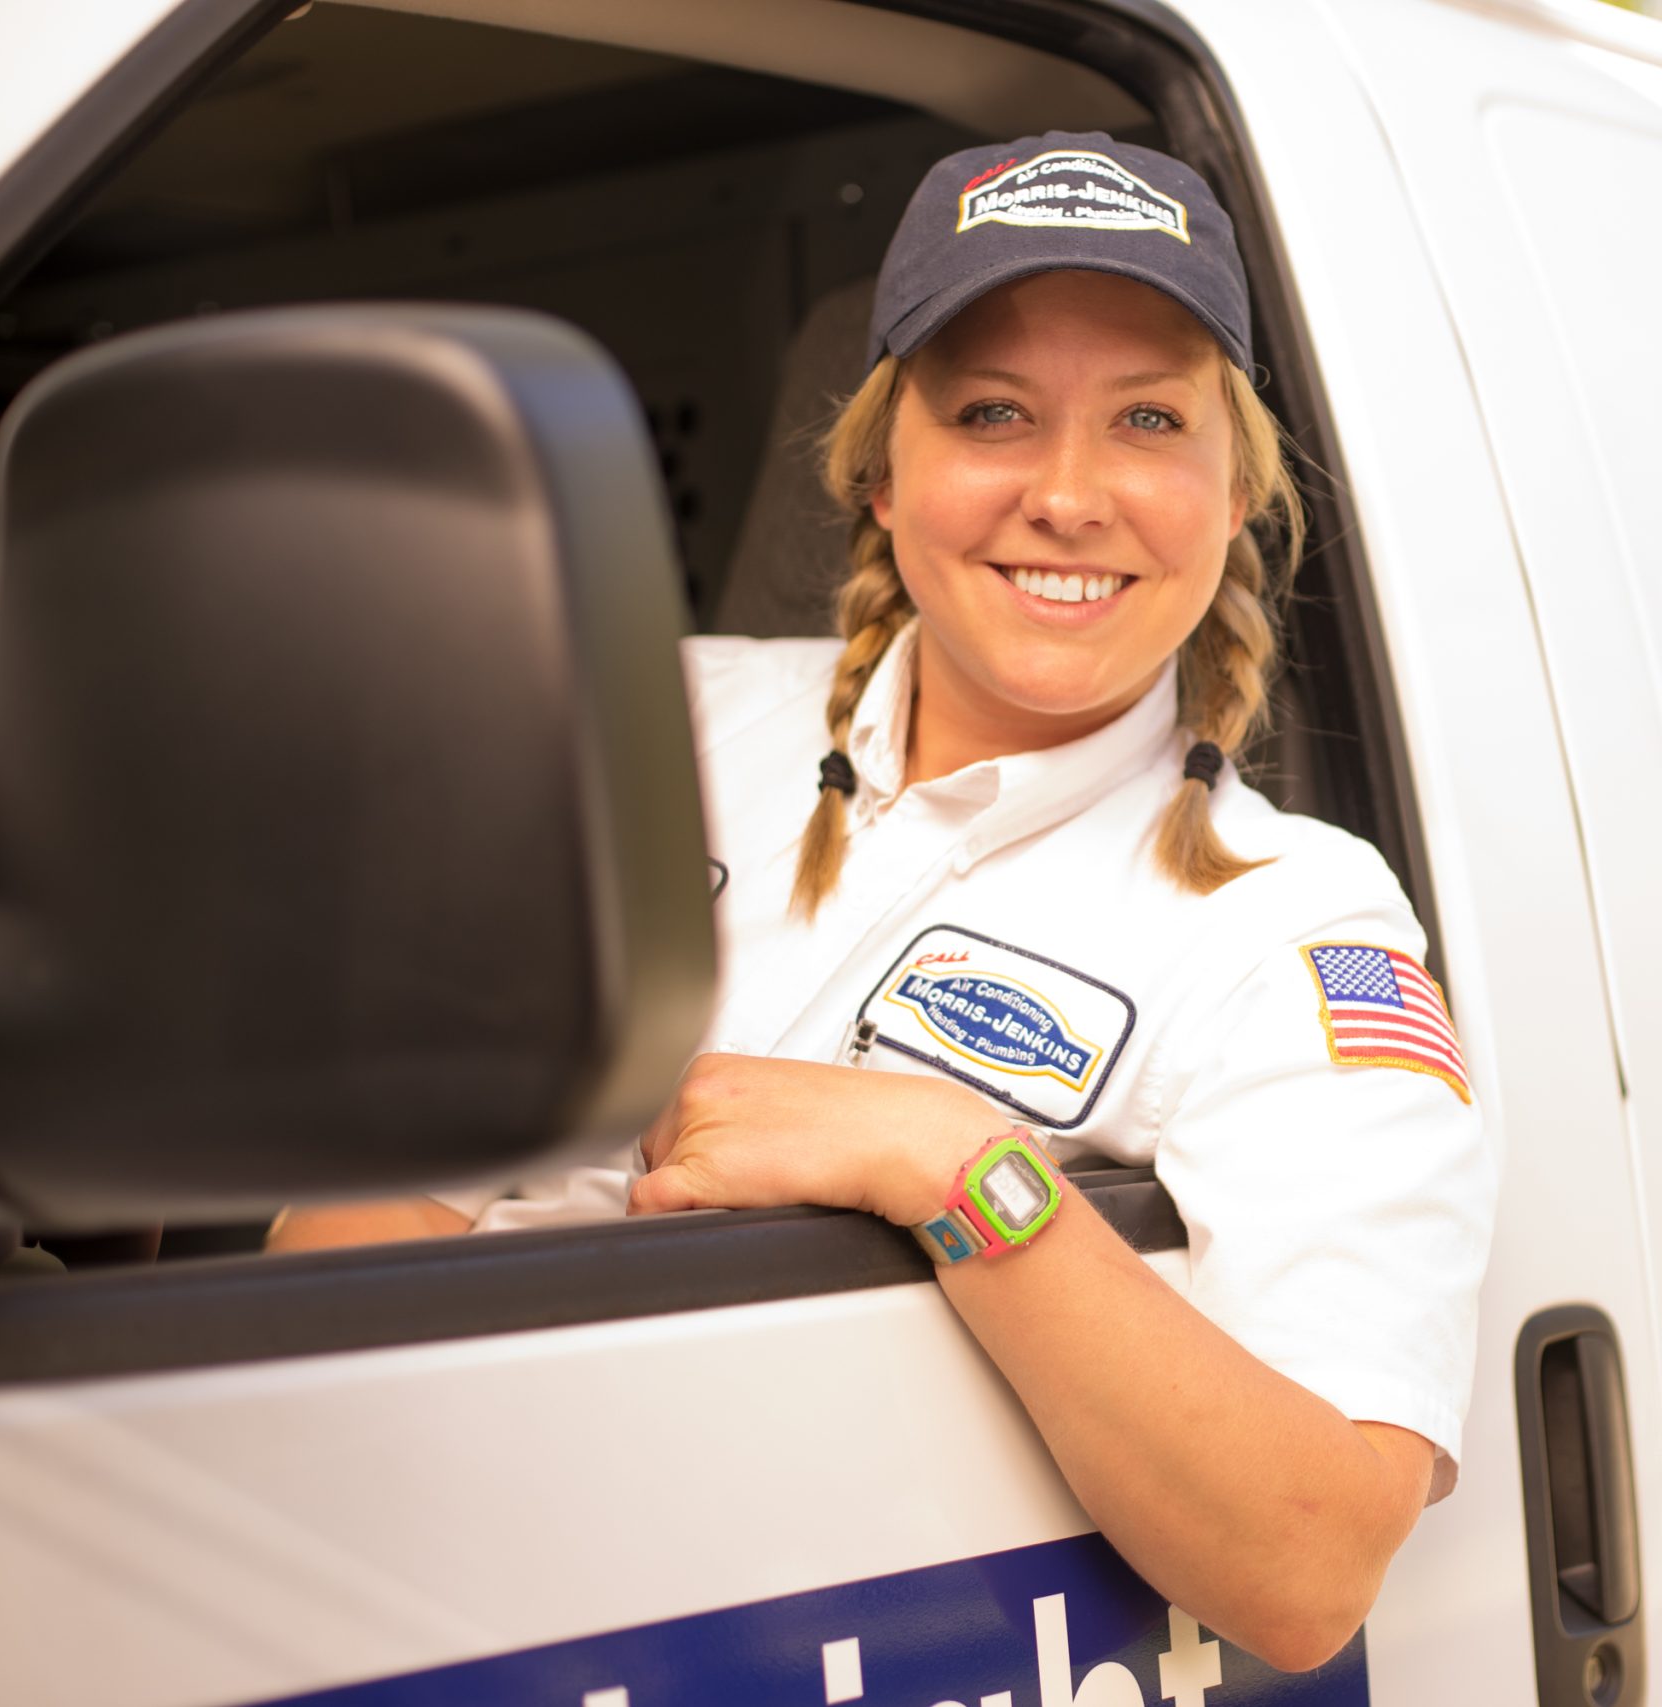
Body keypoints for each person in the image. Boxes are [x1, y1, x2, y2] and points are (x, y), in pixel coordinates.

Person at [270, 131, 1495, 1673]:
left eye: (1149, 419)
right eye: (993, 412)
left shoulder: (1292, 922)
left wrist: (956, 1164)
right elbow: (389, 1195)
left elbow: (1313, 1565)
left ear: (1235, 488)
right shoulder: (657, 726)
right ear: (877, 467)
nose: (1069, 493)